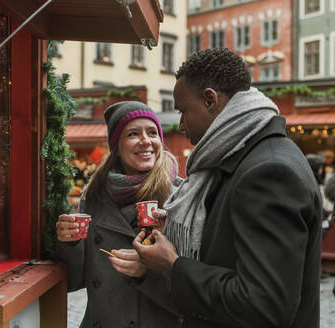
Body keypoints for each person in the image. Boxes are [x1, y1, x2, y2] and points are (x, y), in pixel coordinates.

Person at [132, 48, 322, 327]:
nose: (181, 124)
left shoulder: (269, 172)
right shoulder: (243, 156)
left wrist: (173, 265)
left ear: (210, 99)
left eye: (183, 111)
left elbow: (264, 305)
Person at [55, 101, 182, 327]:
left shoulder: (180, 197)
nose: (146, 140)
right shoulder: (94, 197)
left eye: (152, 132)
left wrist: (146, 273)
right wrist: (70, 243)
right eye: (133, 133)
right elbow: (74, 282)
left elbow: (194, 297)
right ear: (117, 145)